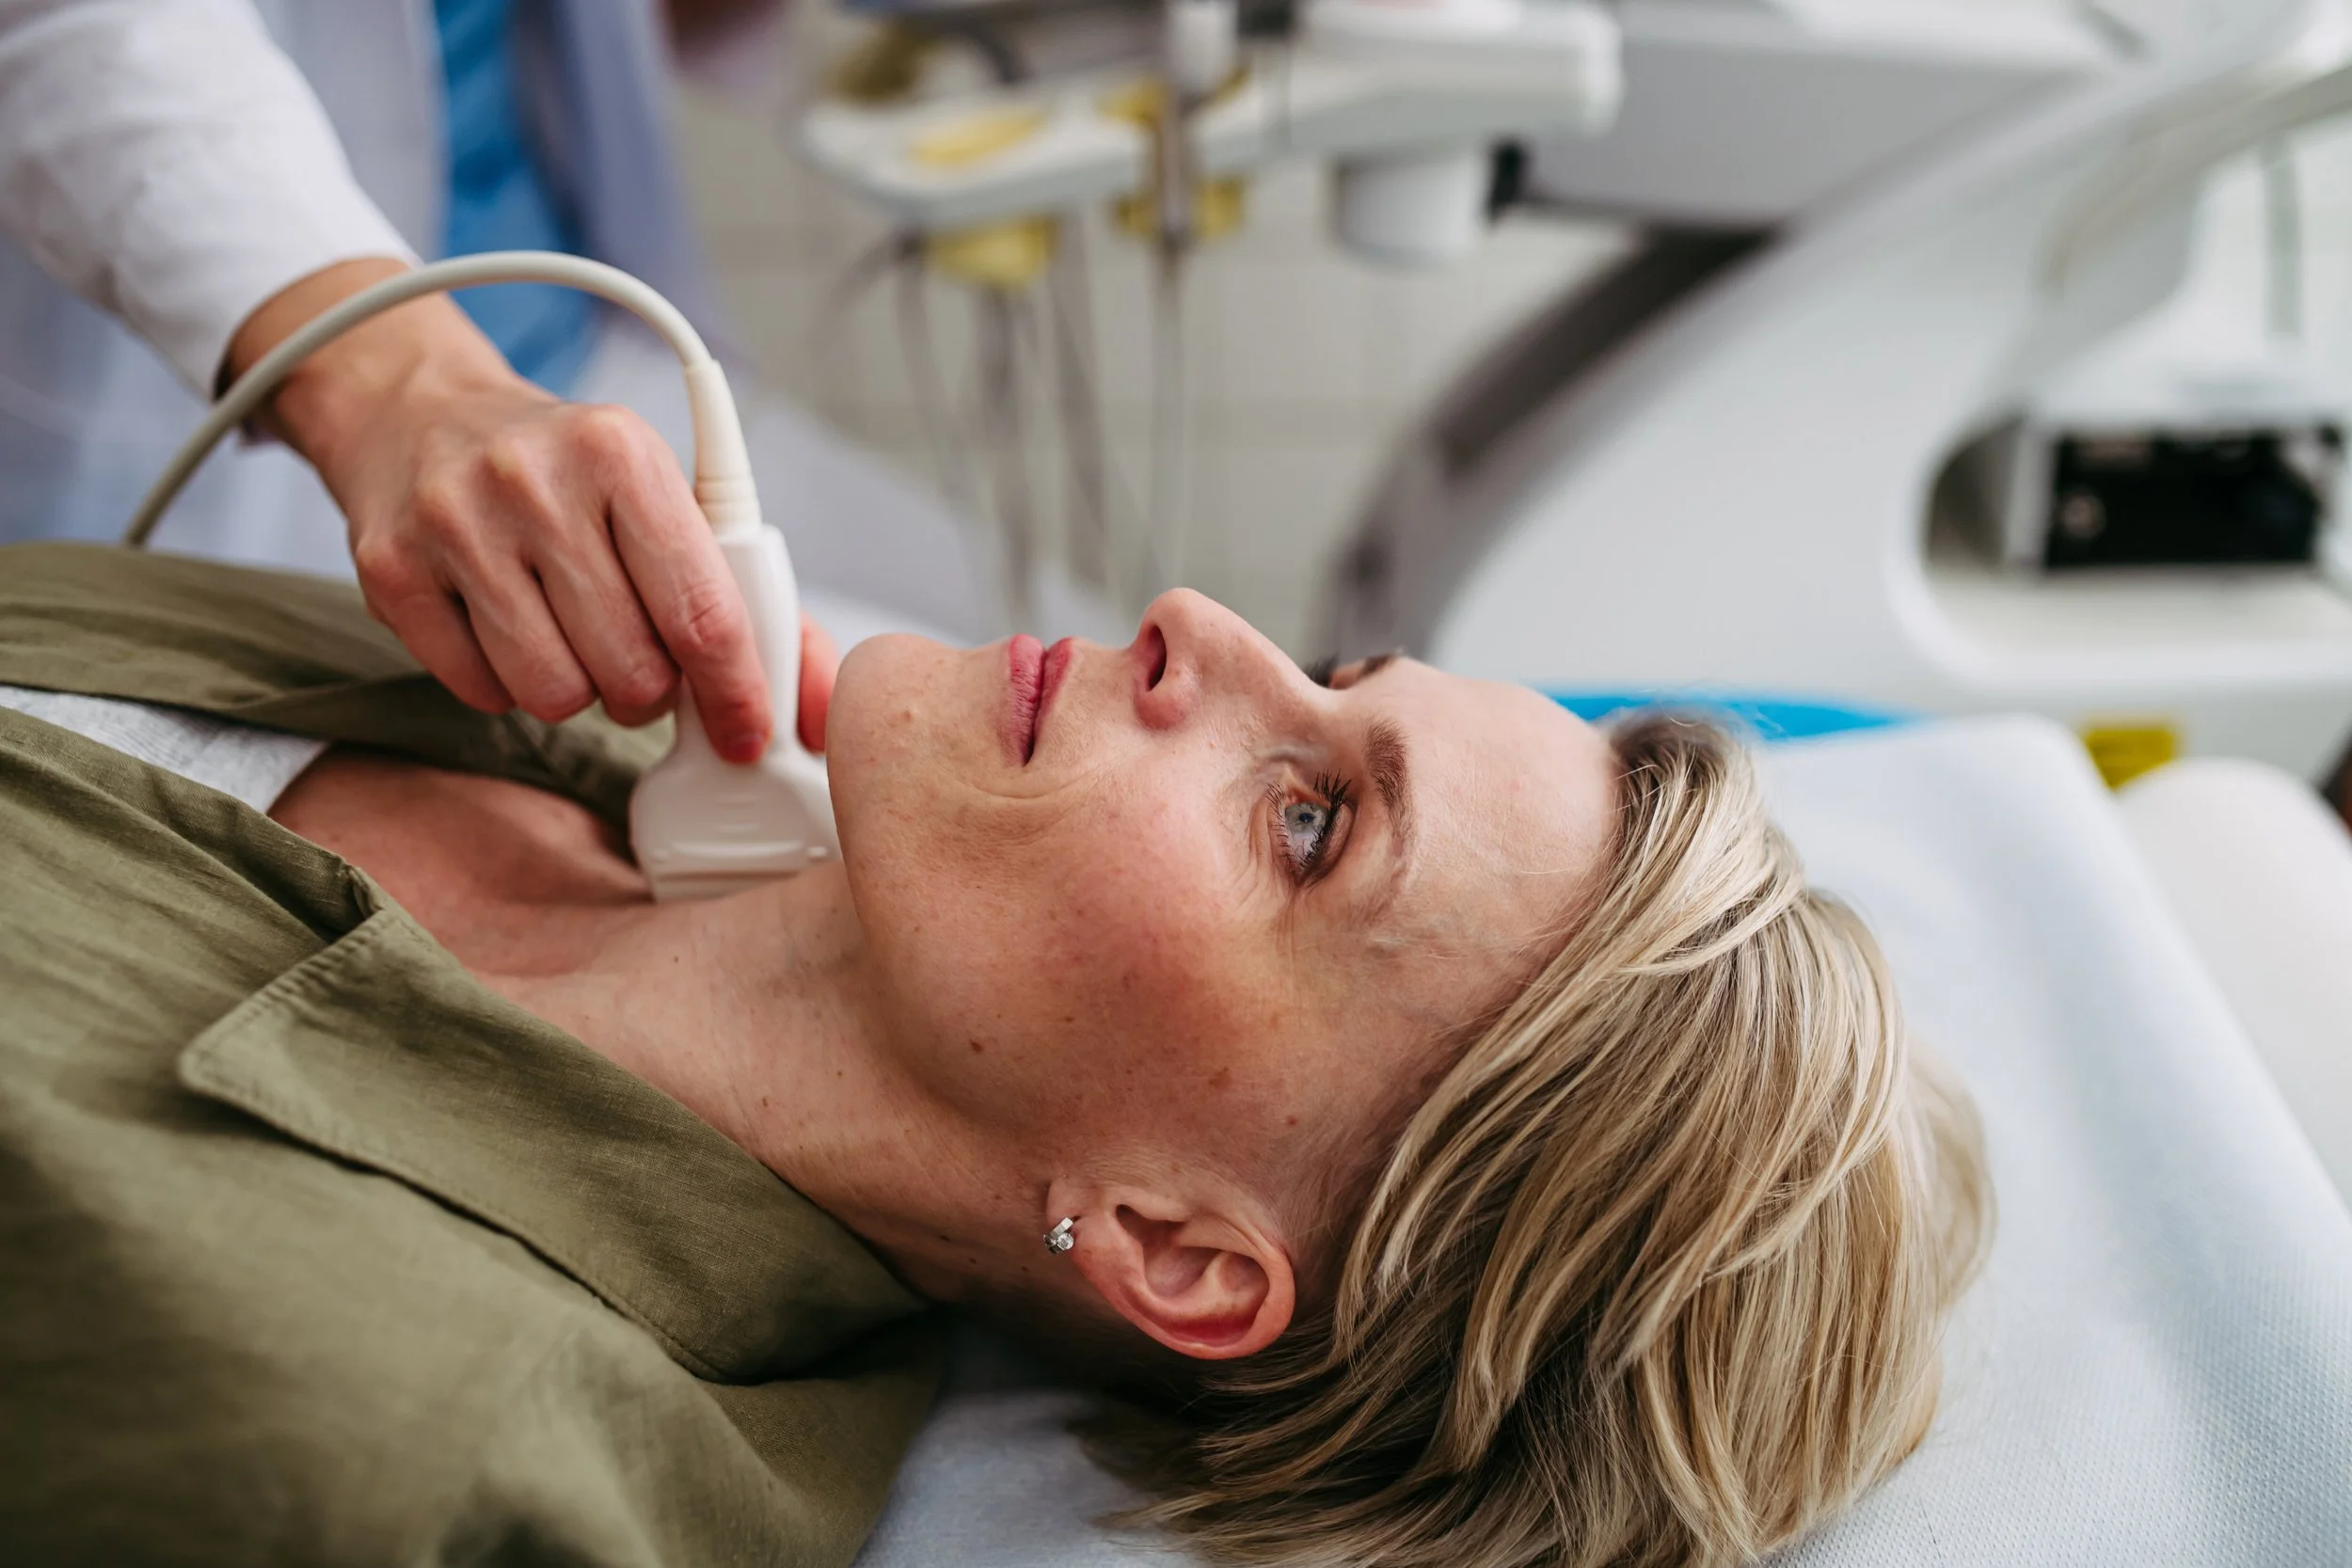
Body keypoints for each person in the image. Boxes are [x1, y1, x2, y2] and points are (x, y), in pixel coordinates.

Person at [0, 542, 1990, 1568]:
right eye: (1333, 671)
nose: (1190, 622)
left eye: (1305, 818)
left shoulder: (366, 1429)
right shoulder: (548, 686)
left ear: (1177, 1244)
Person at [0, 0, 994, 767]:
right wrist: (398, 390)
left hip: (583, 359)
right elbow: (80, 31)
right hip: (264, 442)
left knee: (1025, 639)